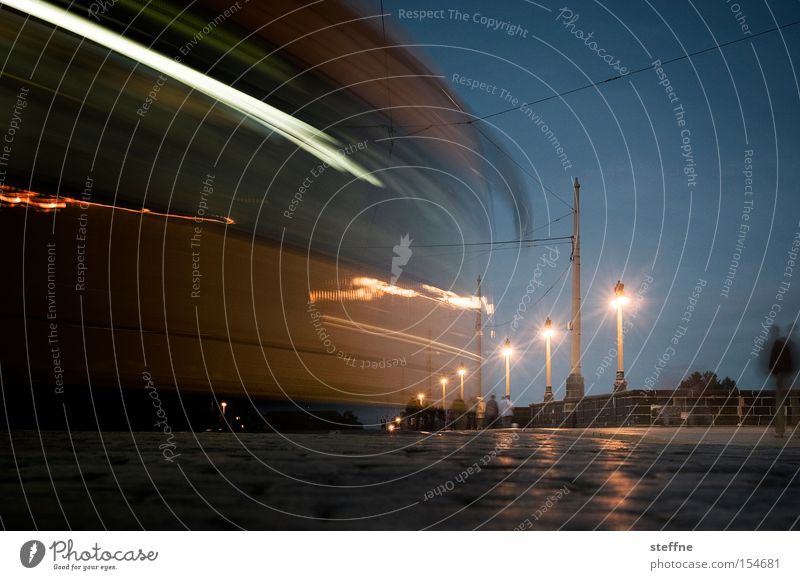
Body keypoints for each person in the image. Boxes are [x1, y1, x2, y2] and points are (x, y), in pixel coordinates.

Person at [769, 328, 797, 437]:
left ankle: (780, 430)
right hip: (788, 376)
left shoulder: (777, 344)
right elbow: (792, 361)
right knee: (794, 404)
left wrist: (775, 373)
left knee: (780, 404)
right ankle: (797, 429)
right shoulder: (789, 344)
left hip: (781, 376)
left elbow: (772, 362)